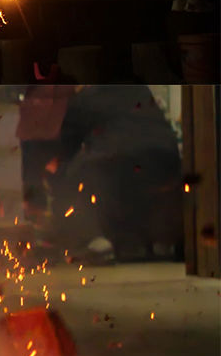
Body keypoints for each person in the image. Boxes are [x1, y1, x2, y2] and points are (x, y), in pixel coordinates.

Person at [54, 85, 184, 261]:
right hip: (163, 160)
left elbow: (68, 145)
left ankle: (94, 238)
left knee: (78, 172)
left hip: (119, 163)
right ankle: (154, 239)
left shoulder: (86, 97)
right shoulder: (139, 90)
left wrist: (58, 169)